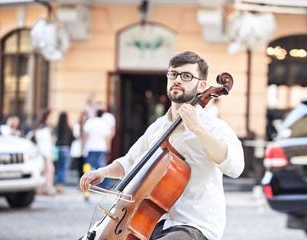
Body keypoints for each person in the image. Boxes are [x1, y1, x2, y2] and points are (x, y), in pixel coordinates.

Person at [79, 51, 244, 240]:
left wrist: (198, 128)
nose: (177, 80)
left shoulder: (214, 127)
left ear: (202, 86)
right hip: (153, 223)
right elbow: (131, 161)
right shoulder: (158, 127)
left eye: (186, 76)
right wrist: (103, 172)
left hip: (194, 226)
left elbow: (235, 167)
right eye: (173, 74)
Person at [83, 108, 112, 188]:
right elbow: (107, 138)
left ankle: (89, 184)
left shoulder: (90, 122)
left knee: (89, 167)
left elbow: (86, 135)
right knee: (102, 167)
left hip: (91, 147)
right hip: (101, 147)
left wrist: (84, 147)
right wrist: (108, 150)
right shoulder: (105, 123)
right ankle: (105, 185)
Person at [33, 108, 56, 196]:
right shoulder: (43, 127)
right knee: (49, 170)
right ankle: (47, 189)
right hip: (44, 151)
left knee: (44, 170)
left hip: (45, 151)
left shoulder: (42, 126)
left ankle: (42, 189)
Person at [54, 112, 74, 193]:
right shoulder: (68, 128)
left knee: (58, 168)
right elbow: (72, 139)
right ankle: (60, 185)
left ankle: (58, 185)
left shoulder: (56, 128)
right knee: (64, 168)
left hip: (58, 149)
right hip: (66, 149)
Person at [70, 111, 89, 180]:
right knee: (79, 166)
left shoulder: (88, 125)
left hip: (86, 148)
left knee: (86, 165)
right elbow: (77, 135)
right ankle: (80, 180)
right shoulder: (77, 126)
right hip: (79, 148)